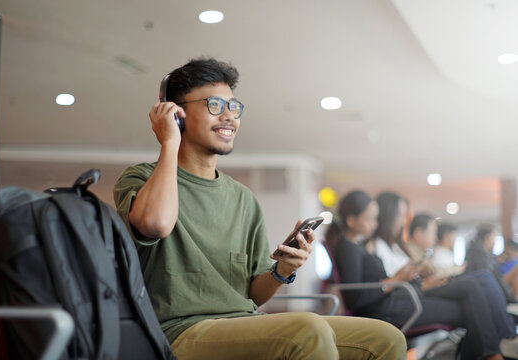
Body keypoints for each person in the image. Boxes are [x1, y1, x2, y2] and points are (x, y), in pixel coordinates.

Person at [113, 58, 406, 360]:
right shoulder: (141, 179)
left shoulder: (243, 198)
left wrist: (283, 269)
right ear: (177, 114)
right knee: (306, 330)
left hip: (243, 323)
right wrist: (169, 143)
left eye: (234, 107)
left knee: (385, 338)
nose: (229, 117)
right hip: (178, 333)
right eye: (215, 105)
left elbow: (254, 293)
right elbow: (156, 223)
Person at [363, 190, 511, 360]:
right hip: (409, 296)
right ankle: (499, 347)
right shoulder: (377, 246)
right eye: (400, 215)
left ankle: (501, 343)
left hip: (417, 290)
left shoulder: (395, 247)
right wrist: (415, 279)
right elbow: (390, 282)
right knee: (472, 287)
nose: (402, 221)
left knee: (481, 281)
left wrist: (422, 278)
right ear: (389, 216)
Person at [465, 224, 516, 303]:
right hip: (486, 294)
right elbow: (488, 280)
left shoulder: (482, 254)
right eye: (494, 237)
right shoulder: (480, 256)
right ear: (487, 238)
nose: (495, 241)